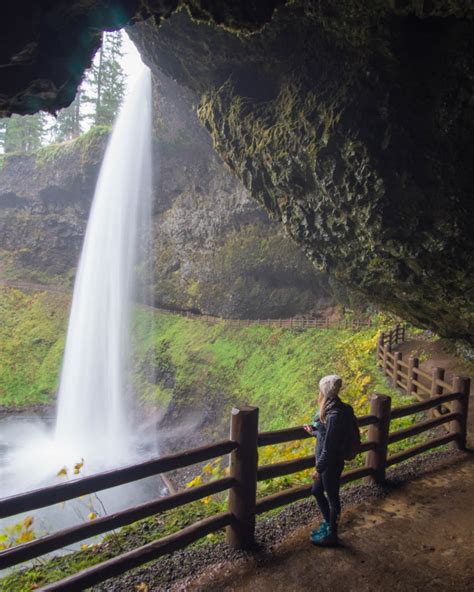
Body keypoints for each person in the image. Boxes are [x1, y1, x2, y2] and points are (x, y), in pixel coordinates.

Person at [304, 374, 349, 546]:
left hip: (331, 464)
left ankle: (332, 535)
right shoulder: (332, 408)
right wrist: (313, 431)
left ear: (324, 392)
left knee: (332, 497)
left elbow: (330, 446)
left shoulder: (334, 414)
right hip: (327, 462)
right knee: (316, 491)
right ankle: (328, 524)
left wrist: (318, 469)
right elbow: (326, 435)